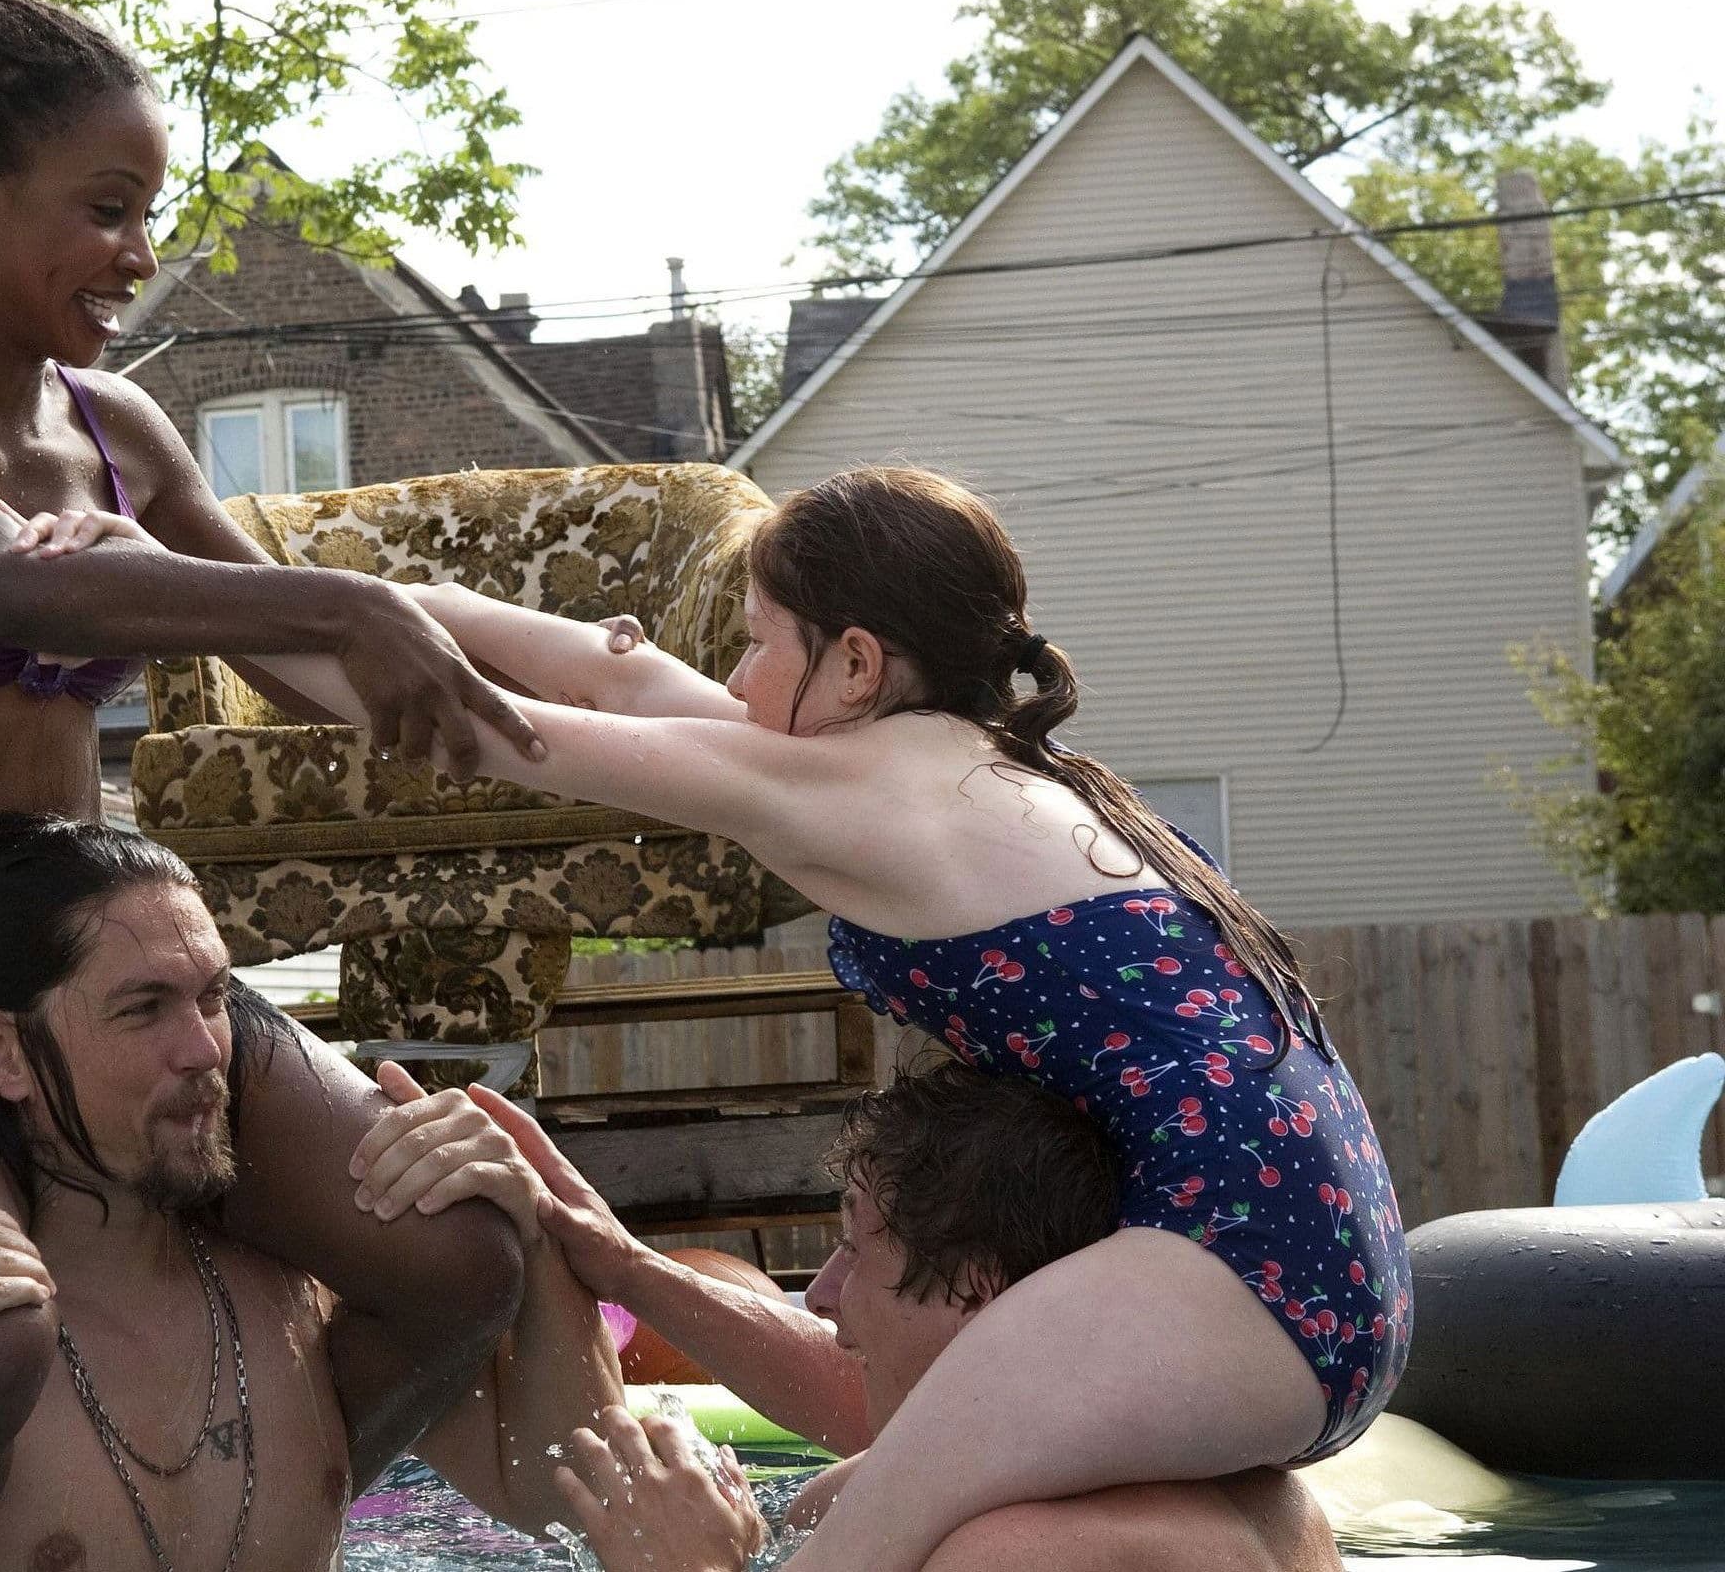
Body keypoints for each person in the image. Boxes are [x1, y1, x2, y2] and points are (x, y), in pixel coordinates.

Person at [165, 463, 1409, 1571]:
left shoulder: (870, 794)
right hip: (1322, 1263)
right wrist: (309, 590)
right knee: (836, 1504)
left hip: (1231, 1264)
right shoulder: (976, 774)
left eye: (758, 643)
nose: (732, 679)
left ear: (856, 665)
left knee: (845, 1549)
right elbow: (614, 670)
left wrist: (172, 599)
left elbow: (479, 729)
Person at [0, 0, 550, 1563]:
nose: (140, 252)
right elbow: (10, 586)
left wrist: (618, 705)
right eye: (106, 209)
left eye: (147, 211)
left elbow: (303, 661)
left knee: (460, 1254)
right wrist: (346, 604)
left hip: (104, 1005)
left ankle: (231, 1516)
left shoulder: (124, 429)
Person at [0, 815, 668, 1571]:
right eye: (144, 1008)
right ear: (2, 1049)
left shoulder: (299, 1290)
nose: (204, 1050)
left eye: (213, 997)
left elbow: (565, 1512)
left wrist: (537, 1240)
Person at [506, 1065, 1344, 1572]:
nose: (821, 1293)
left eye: (853, 1250)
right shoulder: (1268, 1493)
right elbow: (856, 1399)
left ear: (977, 1293)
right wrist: (625, 1267)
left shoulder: (1014, 1555)